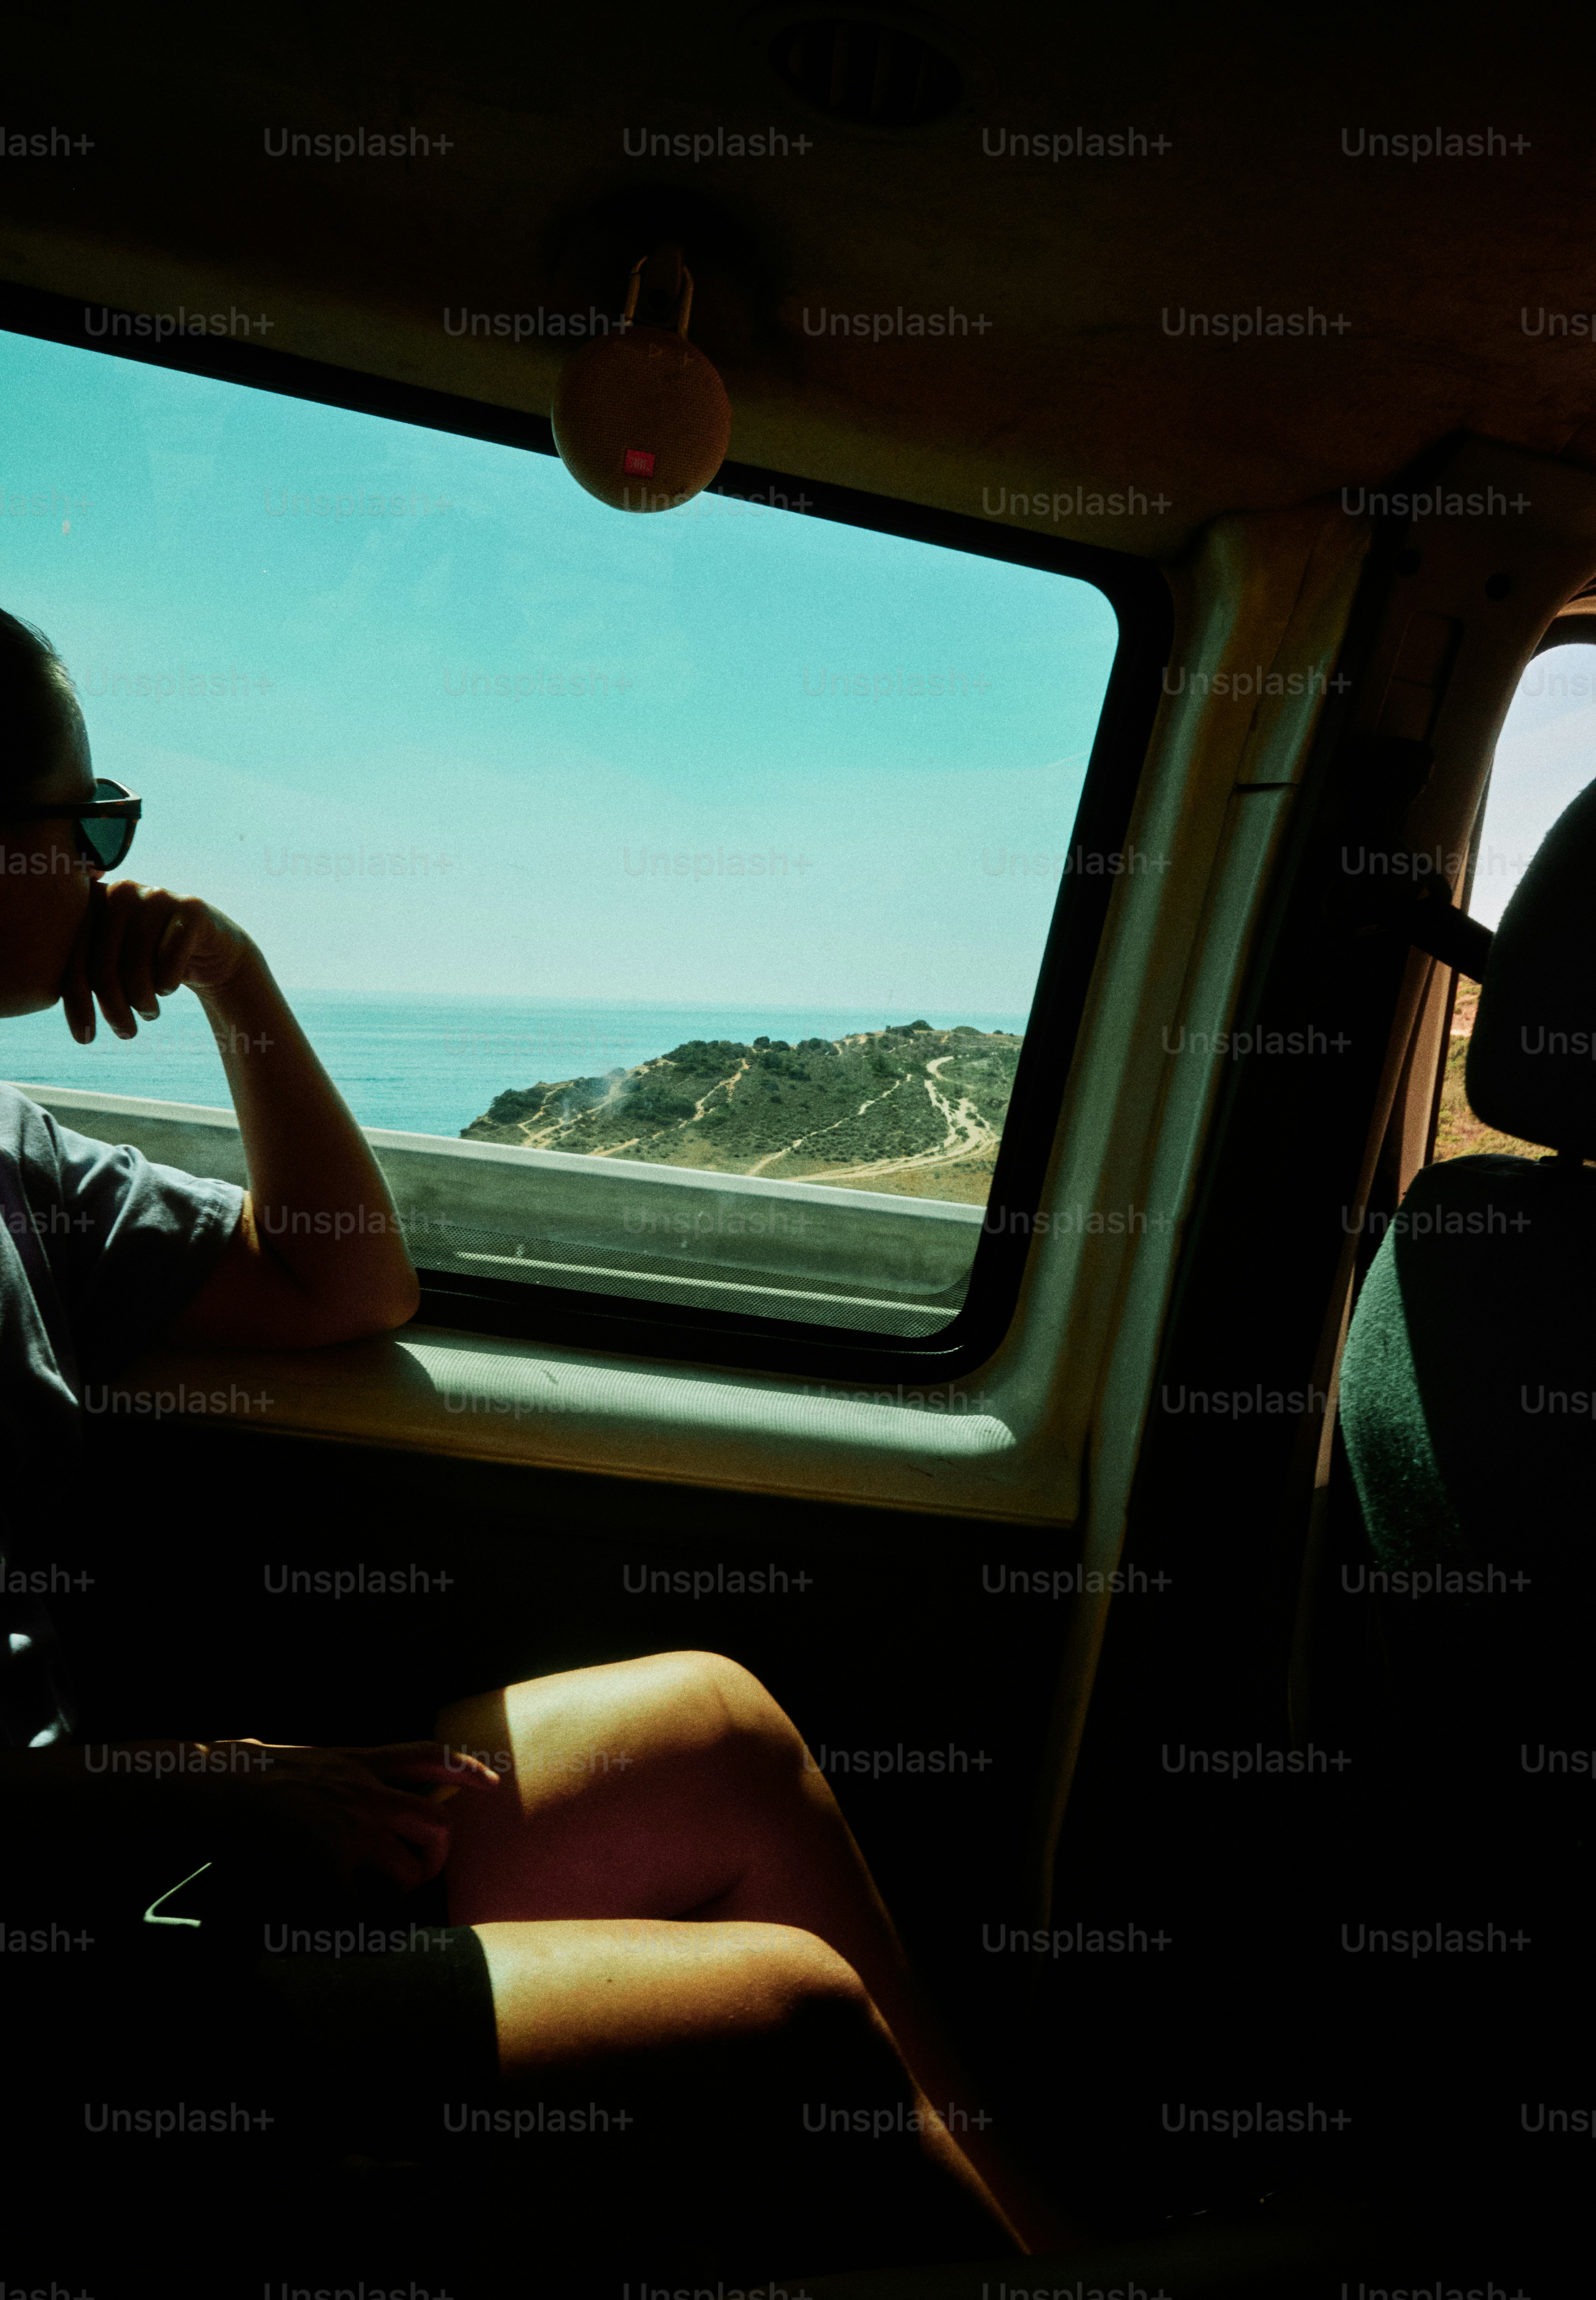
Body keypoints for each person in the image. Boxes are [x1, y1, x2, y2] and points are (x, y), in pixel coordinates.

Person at [0, 609, 1069, 2281]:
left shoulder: (14, 1149)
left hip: (112, 1834)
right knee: (793, 2023)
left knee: (717, 1732)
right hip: (62, 1969)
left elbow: (346, 1277)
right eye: (98, 820)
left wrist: (231, 973)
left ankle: (1057, 2261)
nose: (110, 862)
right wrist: (214, 1788)